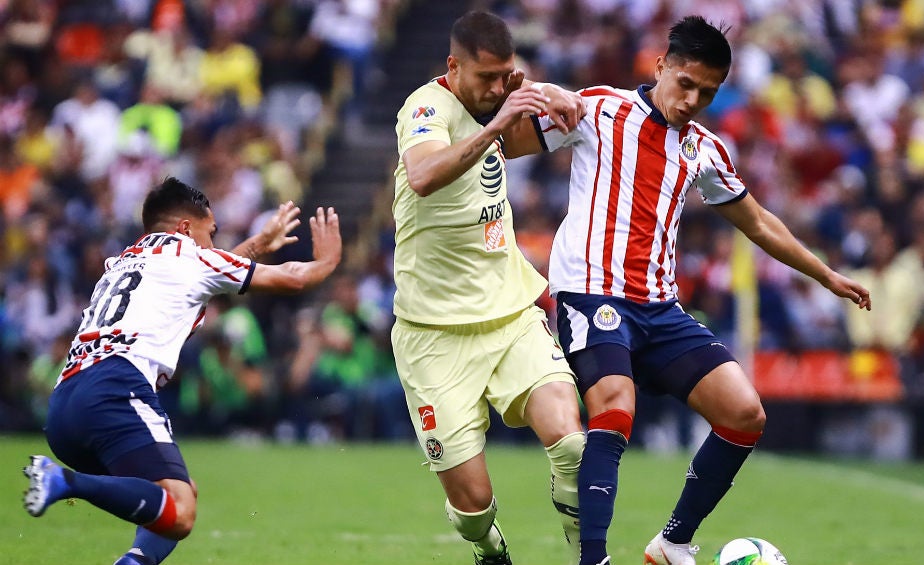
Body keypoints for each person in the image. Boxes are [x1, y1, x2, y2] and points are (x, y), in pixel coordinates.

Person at [532, 16, 873, 565]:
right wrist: (538, 90)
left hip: (660, 307)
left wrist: (826, 275)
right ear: (660, 65)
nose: (692, 100)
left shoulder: (705, 150)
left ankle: (671, 542)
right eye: (685, 84)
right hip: (592, 293)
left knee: (745, 413)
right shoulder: (599, 109)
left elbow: (759, 223)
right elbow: (510, 131)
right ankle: (592, 559)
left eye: (707, 93)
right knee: (616, 407)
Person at [22, 177, 342, 565]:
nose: (213, 244)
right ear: (186, 229)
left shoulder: (123, 261)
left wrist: (256, 245)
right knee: (181, 510)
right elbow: (291, 277)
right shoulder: (191, 258)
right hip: (115, 387)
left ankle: (134, 562)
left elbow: (205, 279)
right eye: (211, 233)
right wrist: (326, 263)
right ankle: (65, 481)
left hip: (65, 404)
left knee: (175, 497)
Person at [390, 11, 587, 565]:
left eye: (507, 77)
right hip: (433, 335)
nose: (499, 88)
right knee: (474, 504)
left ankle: (586, 553)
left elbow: (540, 119)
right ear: (453, 67)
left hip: (510, 315)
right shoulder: (425, 107)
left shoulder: (498, 98)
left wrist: (555, 95)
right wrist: (500, 120)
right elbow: (425, 177)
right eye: (487, 78)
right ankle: (489, 549)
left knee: (572, 442)